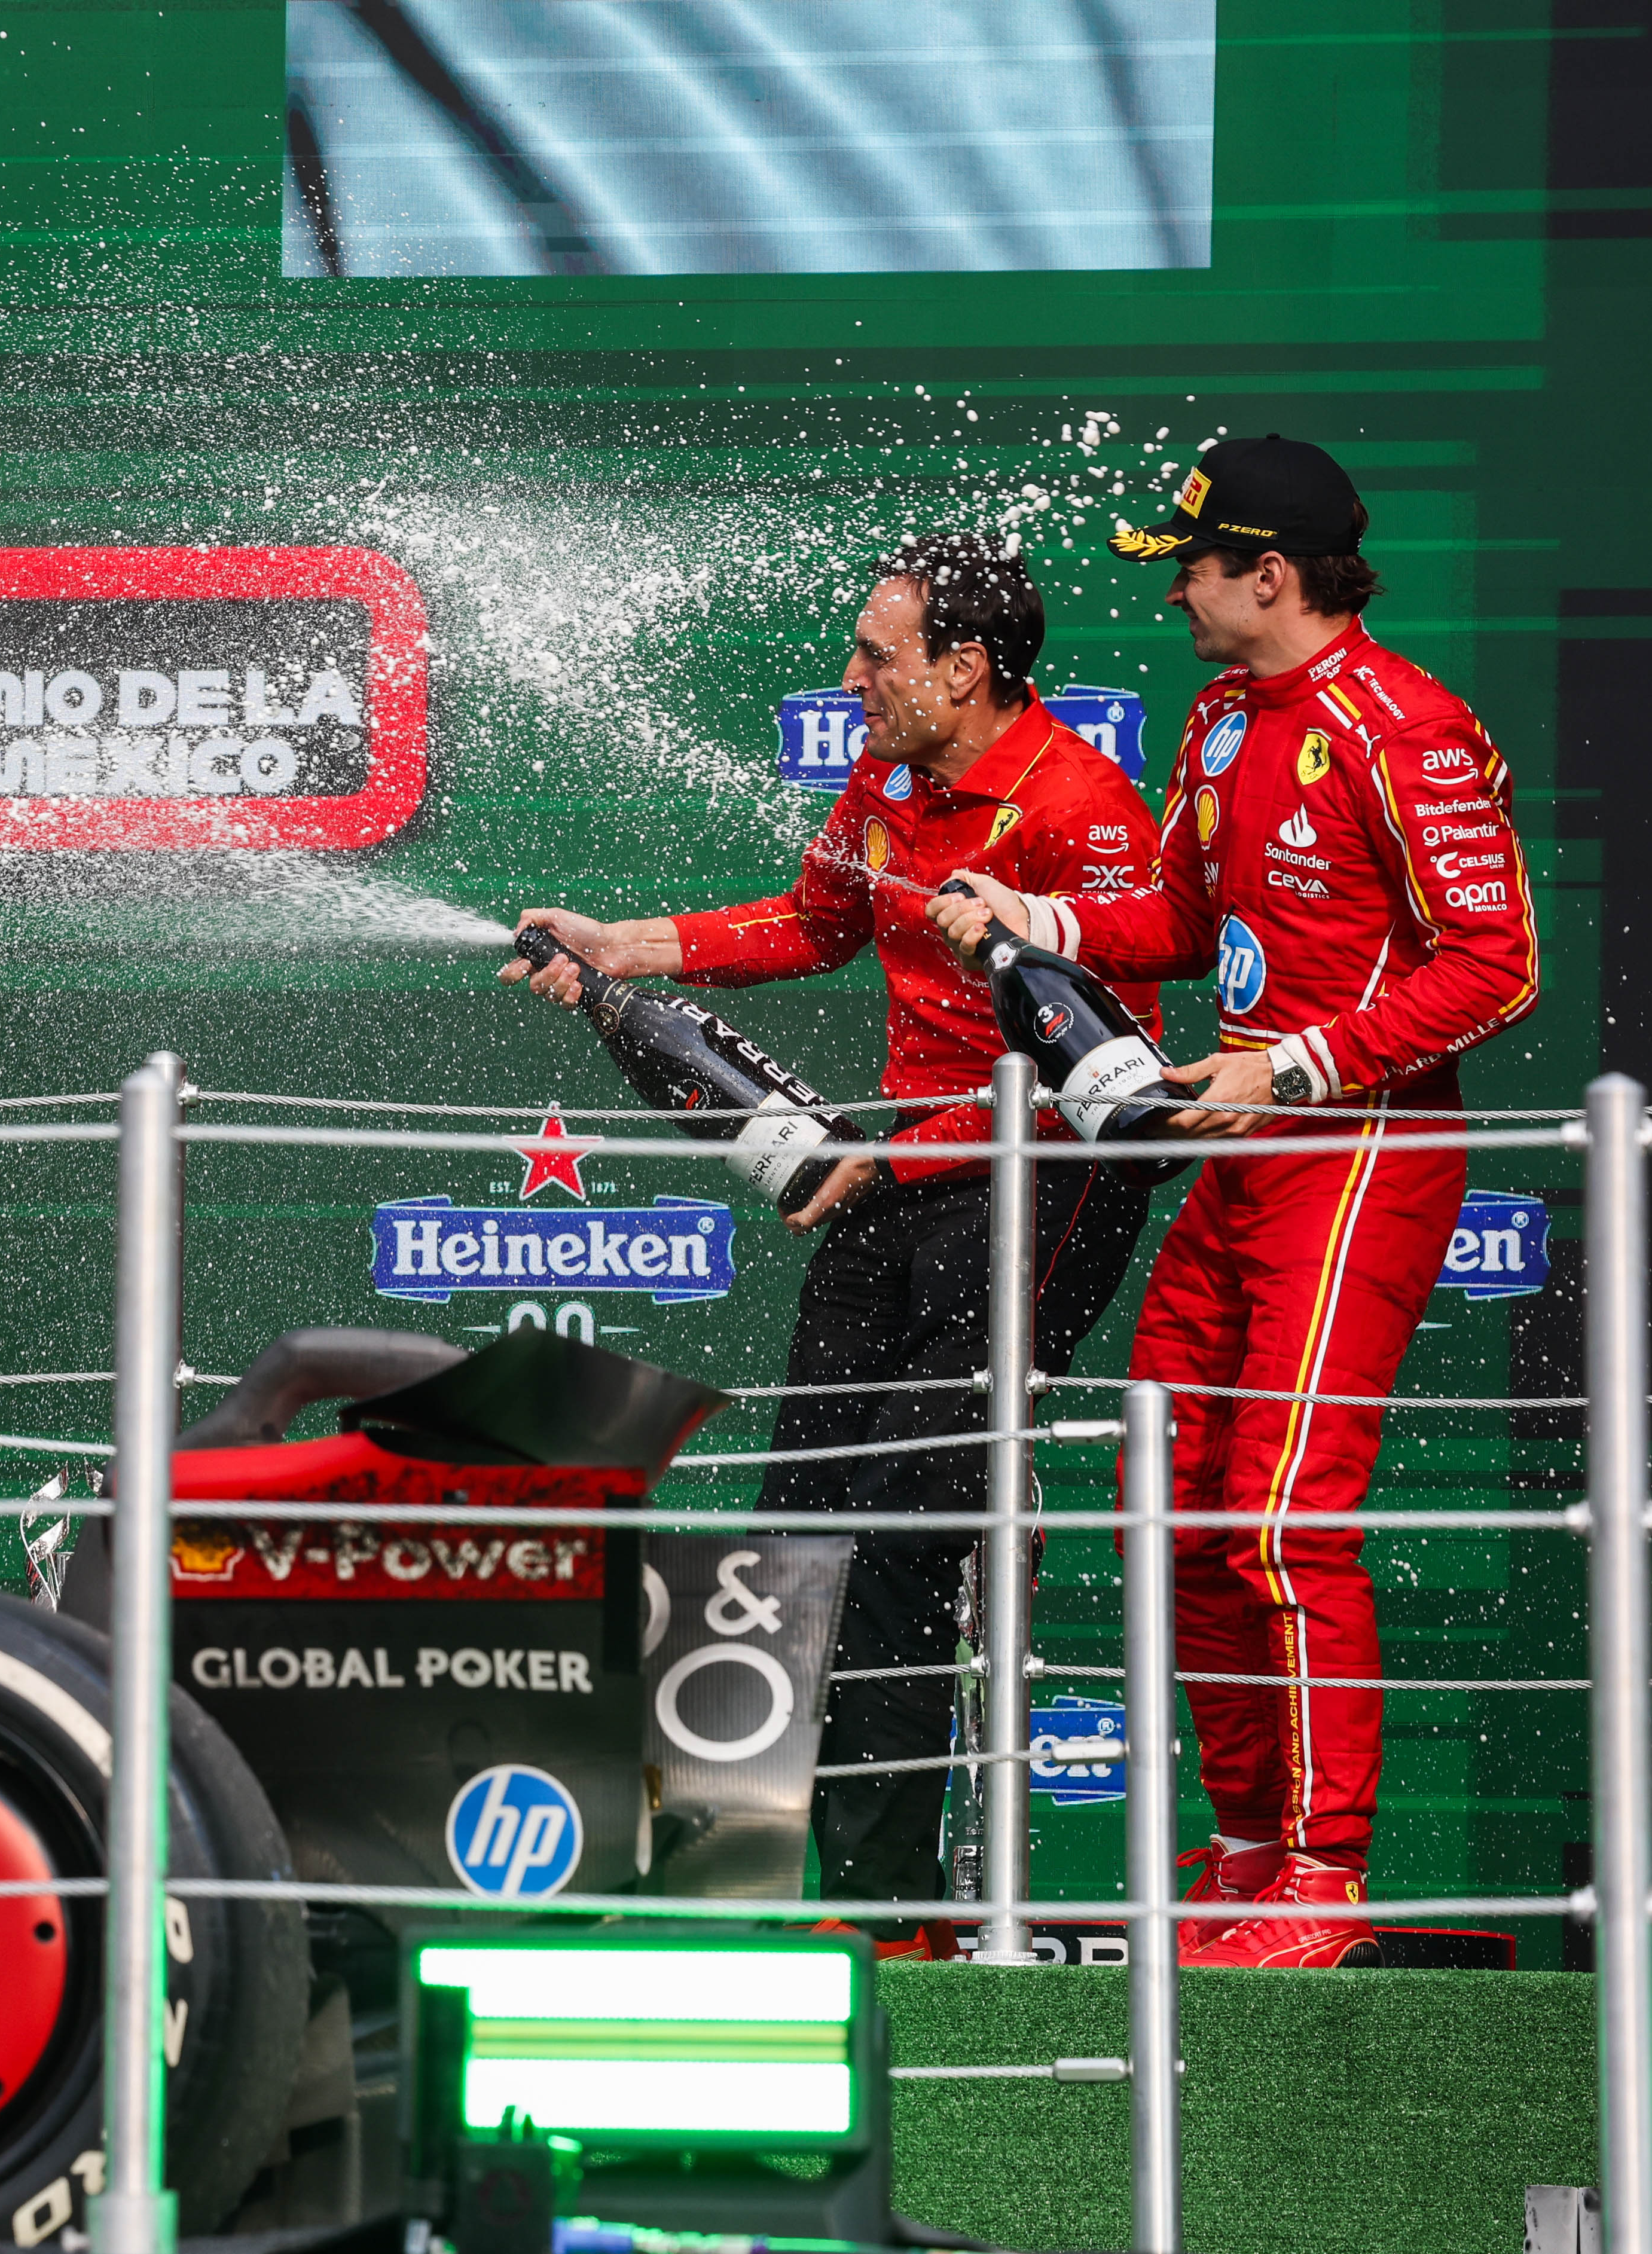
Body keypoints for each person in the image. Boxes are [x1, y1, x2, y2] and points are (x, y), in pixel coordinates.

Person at [933, 436, 1540, 1968]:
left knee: (1278, 1518)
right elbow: (1188, 918)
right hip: (1243, 1148)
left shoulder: (1406, 728)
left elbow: (1495, 965)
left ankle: (1325, 1880)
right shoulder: (1215, 718)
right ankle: (1250, 1850)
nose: (1175, 593)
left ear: (1270, 574)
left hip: (1356, 1160)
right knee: (1177, 1509)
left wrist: (1298, 1069)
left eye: (1193, 567)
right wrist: (1040, 913)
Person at [510, 534, 1164, 1942]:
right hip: (901, 1173)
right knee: (798, 1525)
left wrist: (900, 1155)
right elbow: (814, 923)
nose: (850, 676)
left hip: (1039, 1184)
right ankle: (772, 1891)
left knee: (904, 1525)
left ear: (962, 668)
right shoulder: (882, 777)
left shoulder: (1076, 804)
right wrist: (624, 945)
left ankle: (895, 1909)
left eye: (876, 654)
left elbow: (1108, 1082)